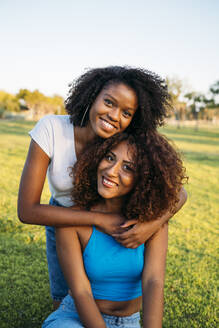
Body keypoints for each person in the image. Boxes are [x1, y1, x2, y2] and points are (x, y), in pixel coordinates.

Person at [17, 66, 187, 309]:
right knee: (64, 301)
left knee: (106, 297)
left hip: (114, 219)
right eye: (109, 102)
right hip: (64, 218)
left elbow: (179, 193)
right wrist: (97, 219)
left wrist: (150, 225)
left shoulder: (126, 140)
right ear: (92, 95)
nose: (115, 116)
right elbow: (27, 210)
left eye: (127, 112)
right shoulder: (51, 130)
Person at [42, 132, 187, 328]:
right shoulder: (72, 221)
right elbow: (81, 291)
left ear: (145, 178)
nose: (111, 171)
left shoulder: (152, 222)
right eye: (109, 157)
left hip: (129, 321)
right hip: (75, 317)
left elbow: (153, 281)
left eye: (128, 167)